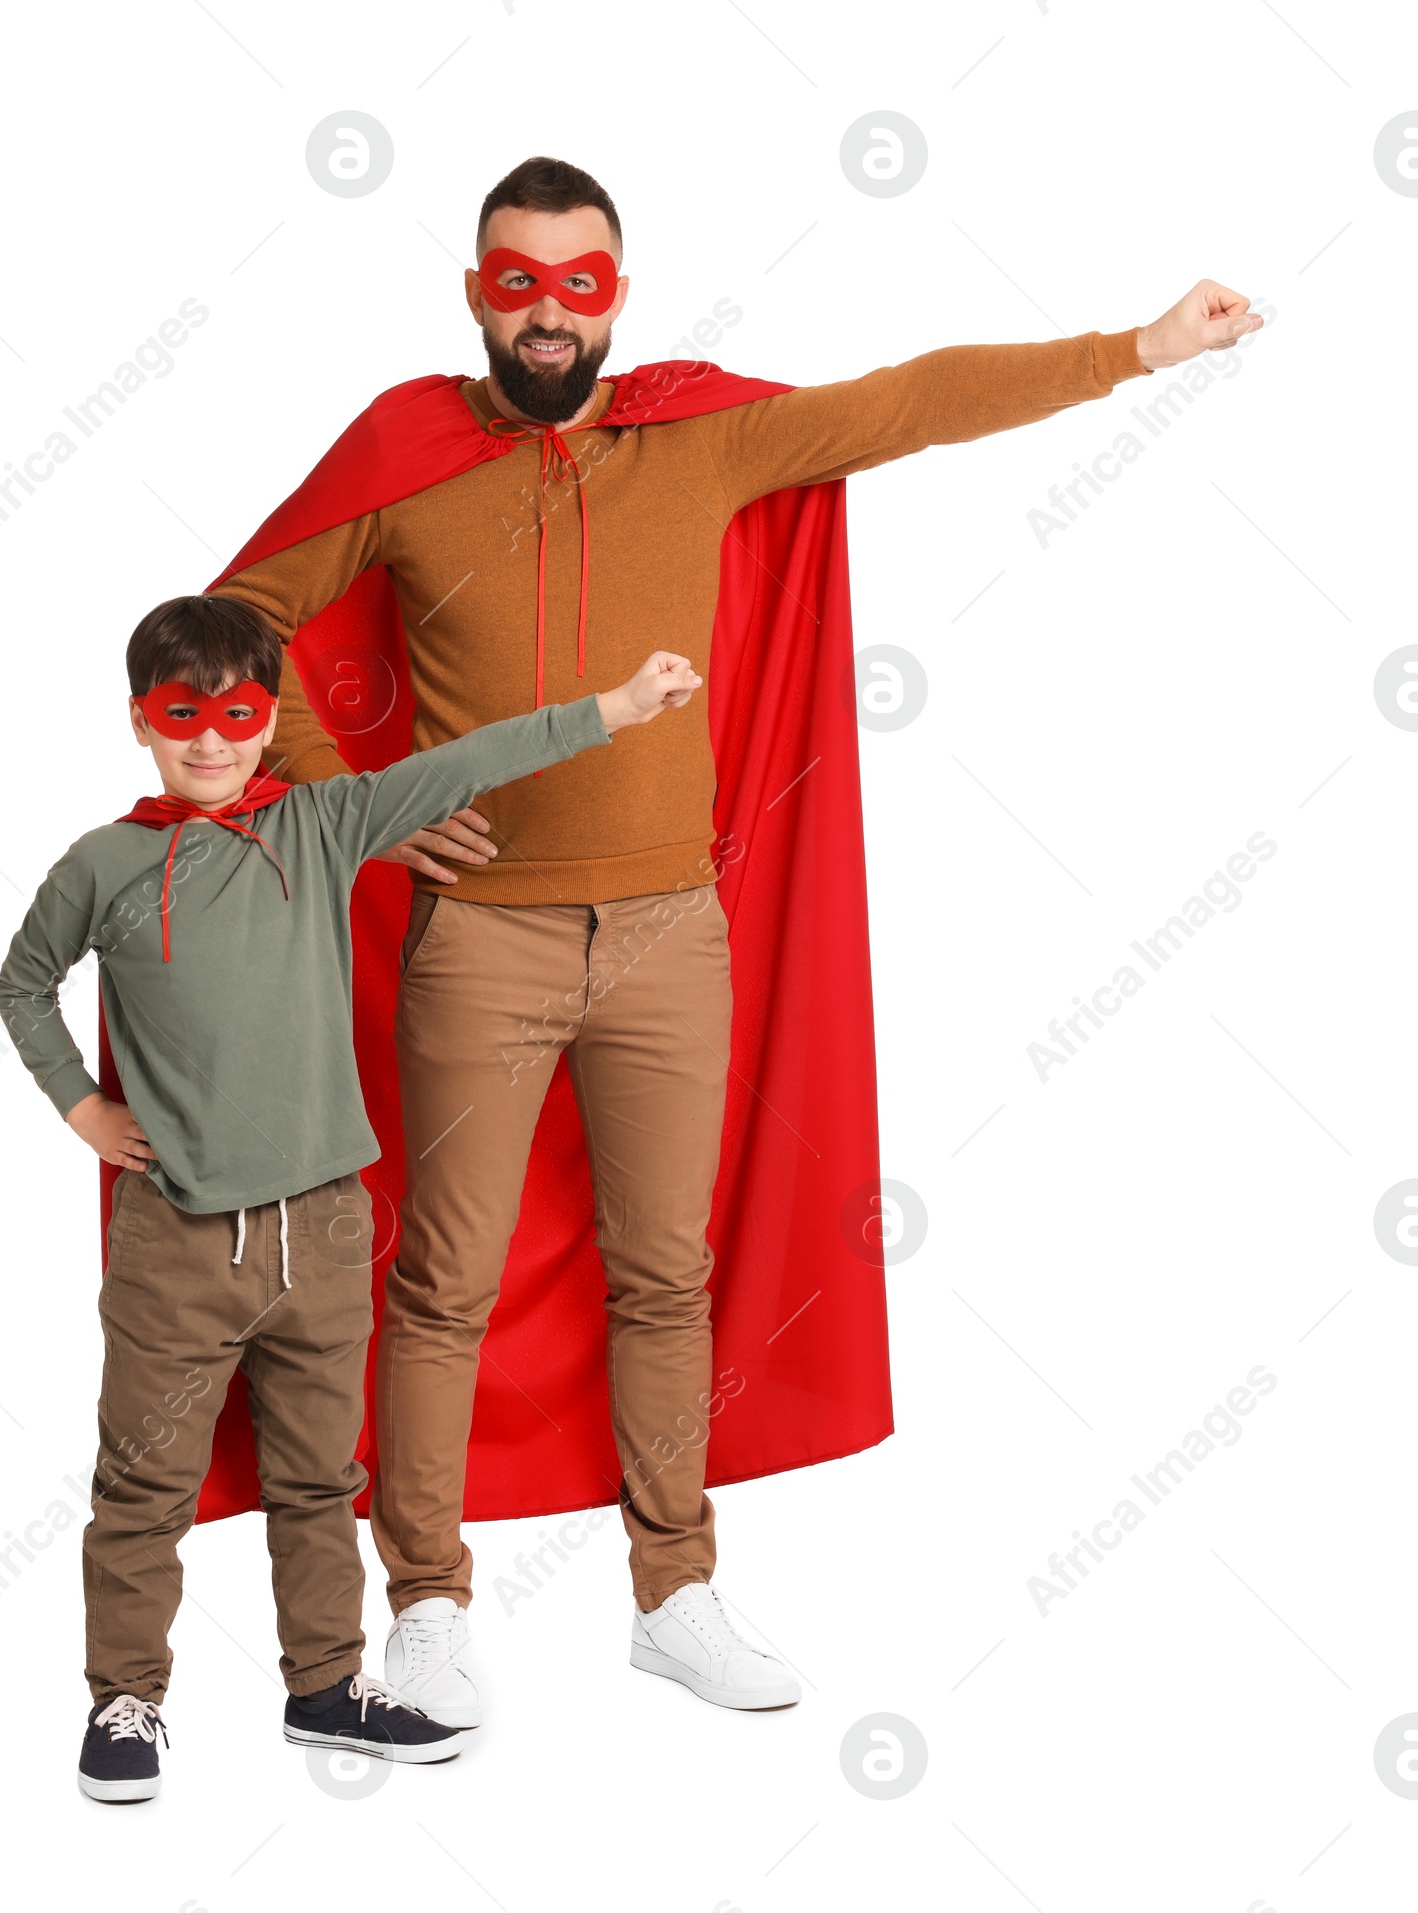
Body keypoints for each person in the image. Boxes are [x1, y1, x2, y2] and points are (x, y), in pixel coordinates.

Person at [210, 155, 1265, 1721]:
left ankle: (674, 1589)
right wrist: (354, 793)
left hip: (665, 934)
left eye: (579, 282)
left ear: (618, 296)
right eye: (517, 279)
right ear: (475, 291)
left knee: (668, 1273)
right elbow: (238, 615)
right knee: (443, 1284)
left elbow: (908, 400)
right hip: (479, 942)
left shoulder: (700, 439)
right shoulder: (406, 449)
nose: (547, 310)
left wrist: (1134, 350)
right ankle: (427, 1605)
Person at [0, 591, 701, 1799]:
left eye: (235, 713)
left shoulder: (321, 824)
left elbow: (469, 759)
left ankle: (325, 1686)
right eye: (181, 715)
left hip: (321, 1230)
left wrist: (618, 707)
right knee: (143, 1483)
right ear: (139, 722)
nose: (209, 739)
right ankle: (126, 1699)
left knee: (320, 1477)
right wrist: (81, 1106)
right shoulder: (102, 863)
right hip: (176, 1238)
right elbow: (20, 985)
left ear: (268, 721)